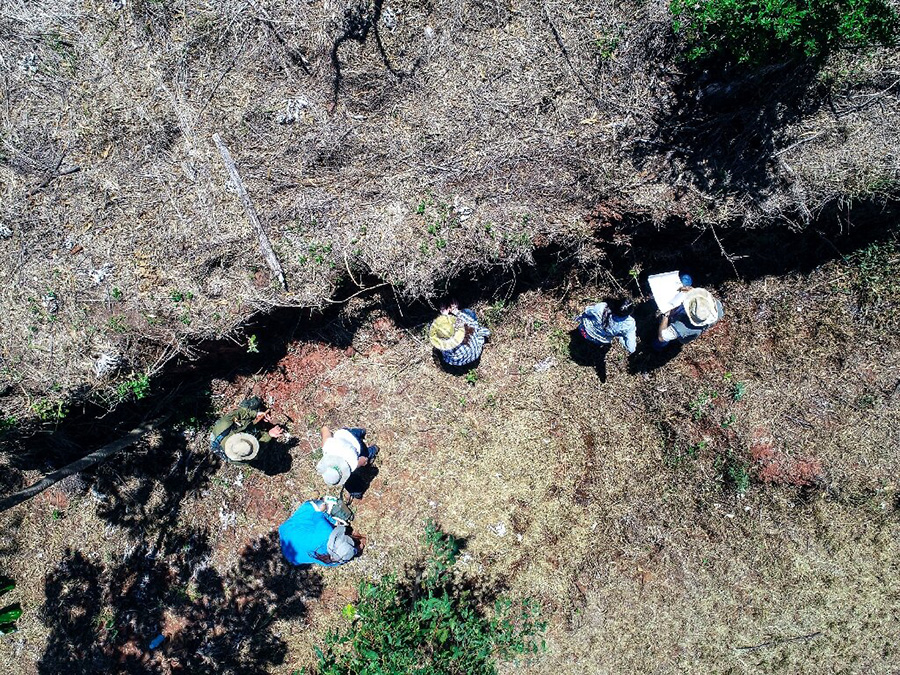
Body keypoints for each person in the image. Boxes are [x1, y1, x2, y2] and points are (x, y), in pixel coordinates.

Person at [278, 499, 359, 566]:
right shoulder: (332, 561)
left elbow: (317, 515)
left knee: (317, 505)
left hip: (287, 531)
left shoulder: (326, 532)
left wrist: (334, 521)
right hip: (293, 557)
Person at [209, 396, 283, 463]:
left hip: (226, 431)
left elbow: (240, 412)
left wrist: (256, 414)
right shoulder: (240, 458)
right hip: (224, 442)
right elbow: (259, 448)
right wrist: (269, 435)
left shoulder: (224, 424)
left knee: (253, 404)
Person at [656, 287, 724, 348]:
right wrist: (693, 292)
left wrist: (666, 316)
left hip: (683, 334)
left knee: (659, 342)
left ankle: (659, 348)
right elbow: (700, 302)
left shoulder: (682, 327)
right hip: (698, 327)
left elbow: (662, 337)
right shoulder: (717, 307)